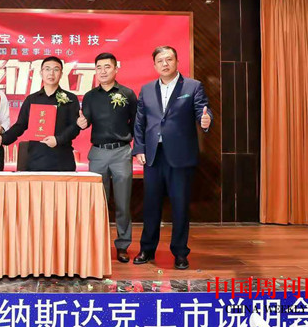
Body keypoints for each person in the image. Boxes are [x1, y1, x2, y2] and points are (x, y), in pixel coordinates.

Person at [132, 46, 212, 270]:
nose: (165, 64)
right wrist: (139, 149)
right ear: (154, 65)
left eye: (169, 59)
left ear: (177, 61)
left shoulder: (192, 86)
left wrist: (206, 121)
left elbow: (203, 111)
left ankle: (180, 252)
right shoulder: (147, 89)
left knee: (180, 206)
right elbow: (140, 122)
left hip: (180, 156)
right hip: (153, 155)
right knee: (151, 205)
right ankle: (147, 249)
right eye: (160, 60)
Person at [78, 52, 137, 263]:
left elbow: (136, 123)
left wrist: (136, 148)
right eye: (99, 67)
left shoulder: (127, 94)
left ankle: (122, 245)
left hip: (121, 152)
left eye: (107, 67)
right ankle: (97, 245)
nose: (103, 71)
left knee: (122, 202)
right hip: (98, 153)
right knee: (96, 203)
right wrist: (81, 124)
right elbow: (84, 120)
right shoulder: (90, 96)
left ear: (116, 69)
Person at [2, 56, 80, 171]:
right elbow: (20, 125)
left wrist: (58, 140)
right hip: (37, 159)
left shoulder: (70, 99)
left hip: (62, 159)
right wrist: (2, 139)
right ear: (41, 73)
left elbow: (75, 127)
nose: (51, 73)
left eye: (56, 69)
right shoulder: (32, 99)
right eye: (47, 69)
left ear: (61, 74)